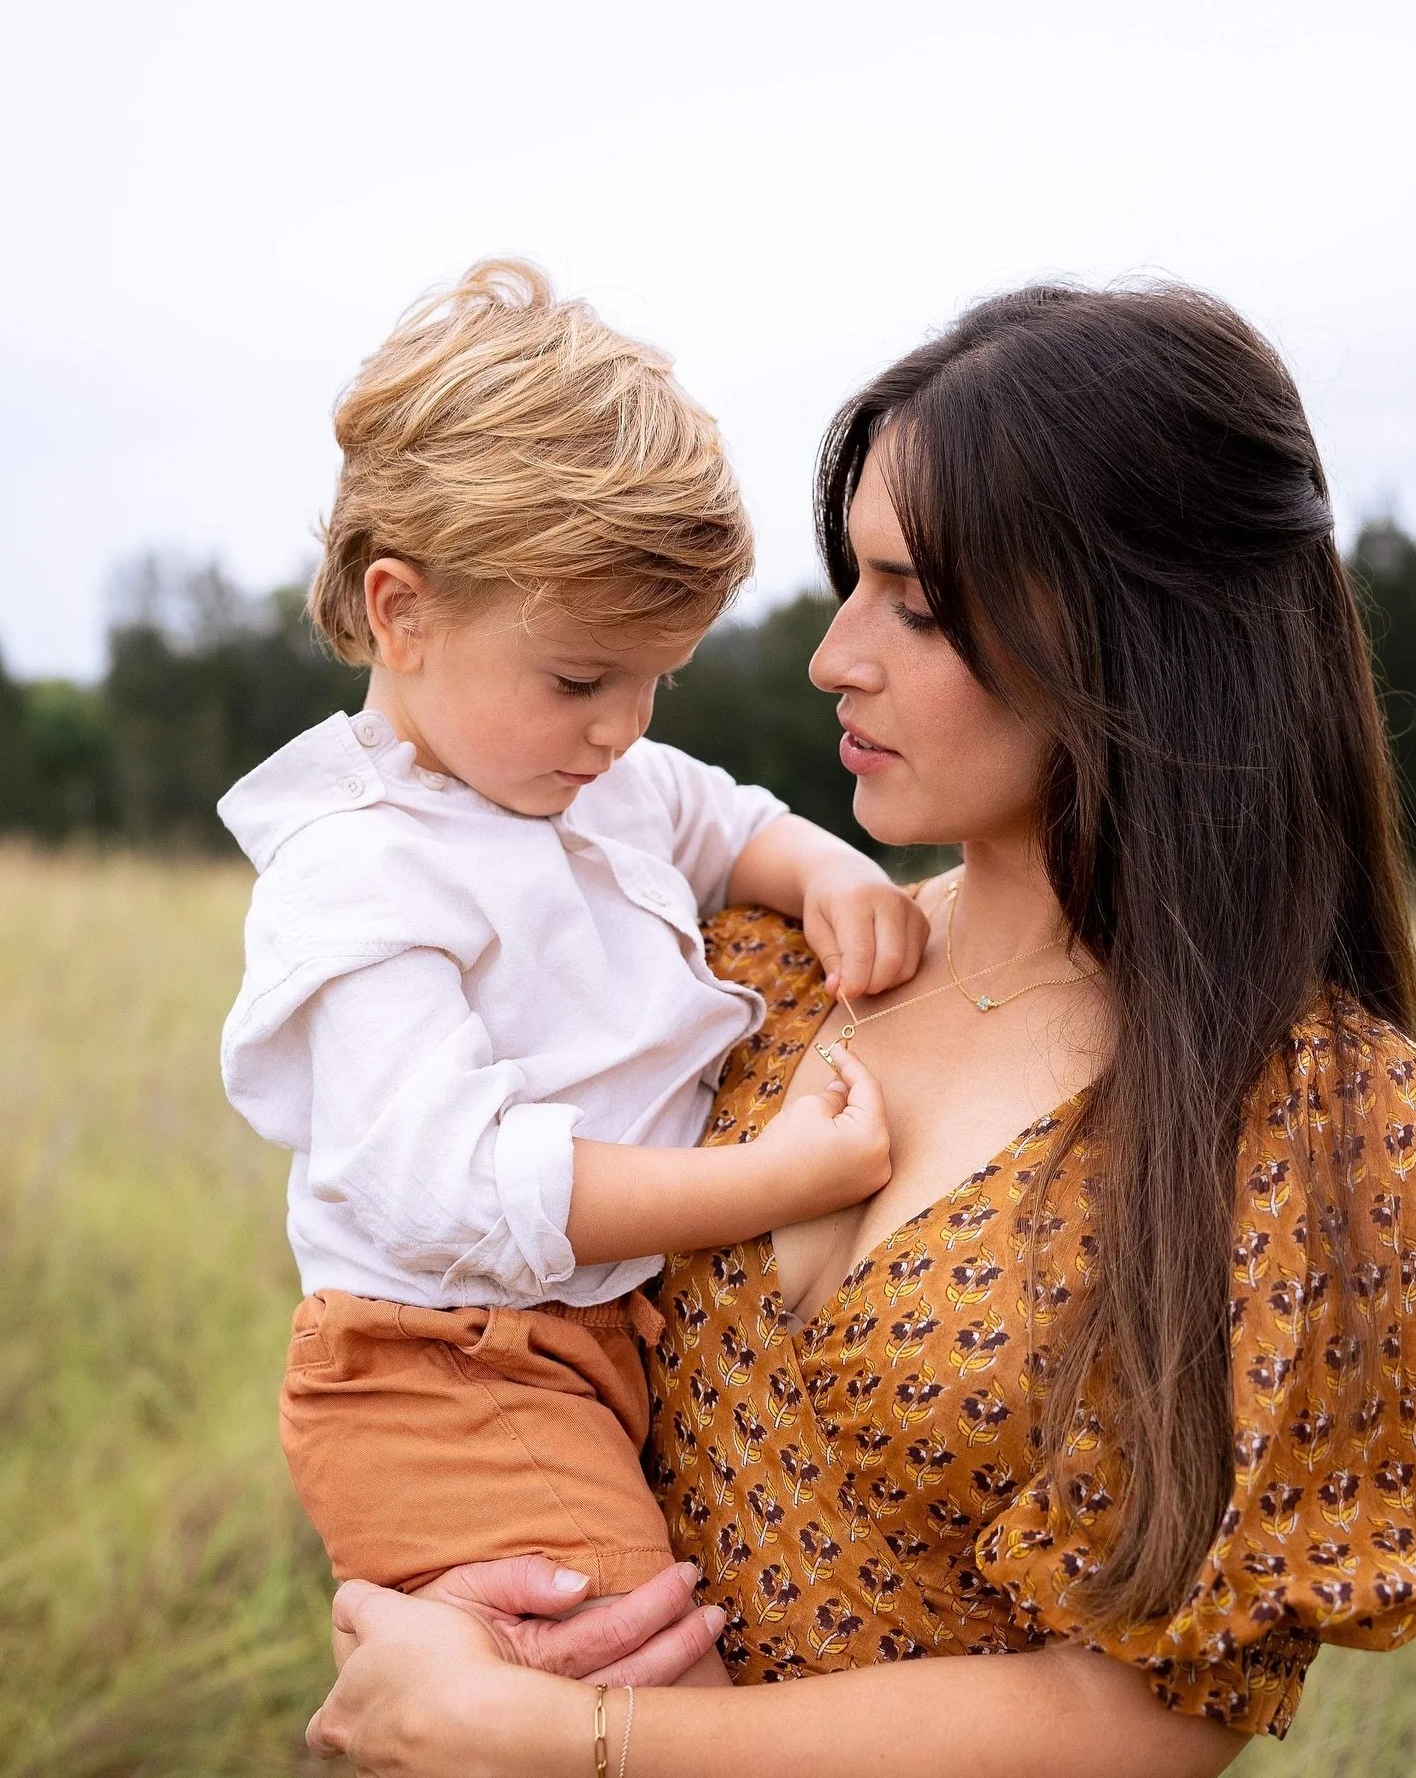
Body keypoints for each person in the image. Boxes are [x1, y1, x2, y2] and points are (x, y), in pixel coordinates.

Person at [305, 279, 1416, 1777]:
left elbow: (1147, 1719)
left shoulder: (1328, 1124)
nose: (836, 655)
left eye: (915, 602)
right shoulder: (753, 975)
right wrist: (447, 1619)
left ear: (1137, 635)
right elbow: (452, 1315)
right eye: (854, 581)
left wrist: (576, 1734)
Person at [217, 259, 926, 1643]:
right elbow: (467, 1190)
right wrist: (772, 1181)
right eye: (582, 679)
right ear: (401, 611)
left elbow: (724, 820)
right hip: (447, 1376)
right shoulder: (361, 873)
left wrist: (825, 868)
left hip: (586, 1346)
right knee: (641, 1677)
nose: (624, 727)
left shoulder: (585, 775)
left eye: (658, 678)